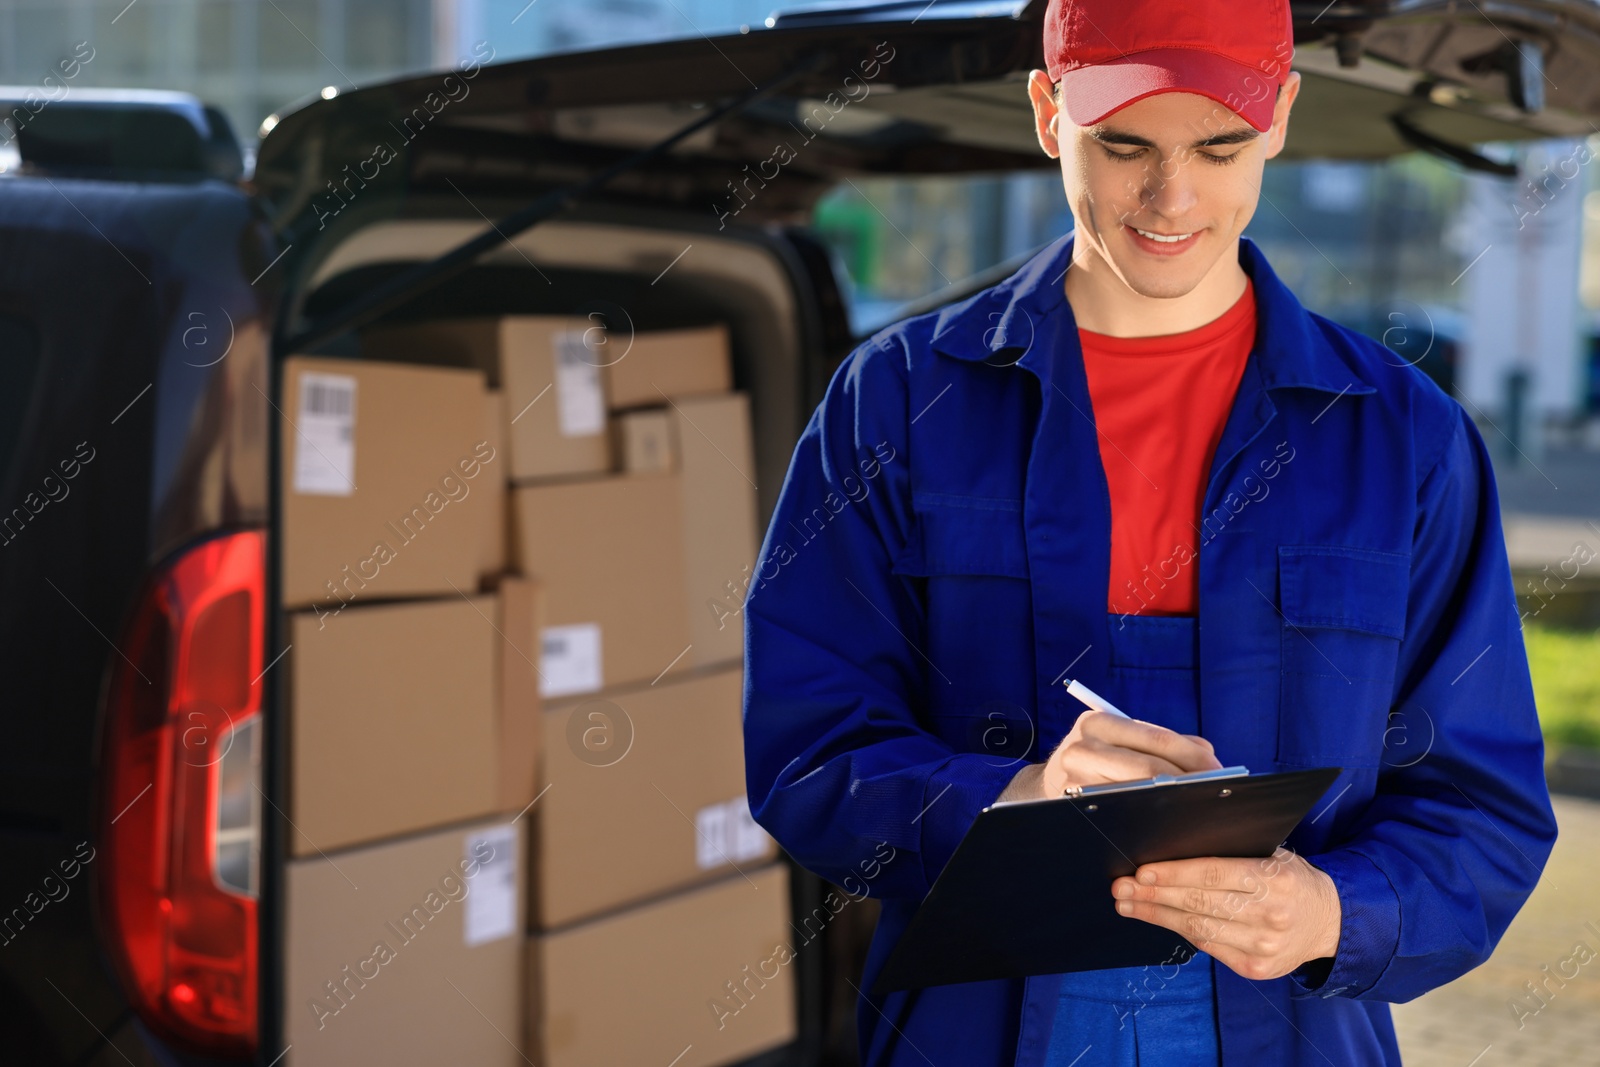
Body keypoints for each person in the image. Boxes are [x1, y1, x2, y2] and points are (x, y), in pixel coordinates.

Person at [740, 0, 1559, 1063]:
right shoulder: (896, 402)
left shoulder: (1403, 438)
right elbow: (809, 750)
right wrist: (1017, 796)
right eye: (1122, 145)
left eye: (1216, 147)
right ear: (1047, 112)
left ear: (1277, 119)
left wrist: (1333, 910)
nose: (1170, 197)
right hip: (977, 1029)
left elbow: (1480, 807)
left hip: (1292, 1033)